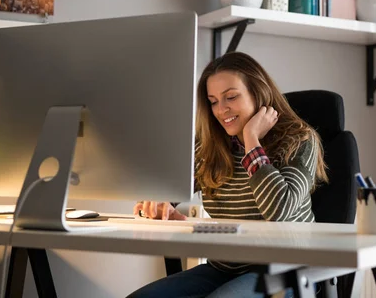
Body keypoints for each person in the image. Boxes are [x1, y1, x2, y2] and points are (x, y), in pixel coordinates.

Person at [128, 52, 328, 298]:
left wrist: (251, 141)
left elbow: (280, 210)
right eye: (213, 101)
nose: (221, 110)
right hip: (224, 267)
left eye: (231, 97)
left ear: (258, 93)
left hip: (286, 270)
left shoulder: (299, 140)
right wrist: (158, 204)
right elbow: (168, 192)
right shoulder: (207, 147)